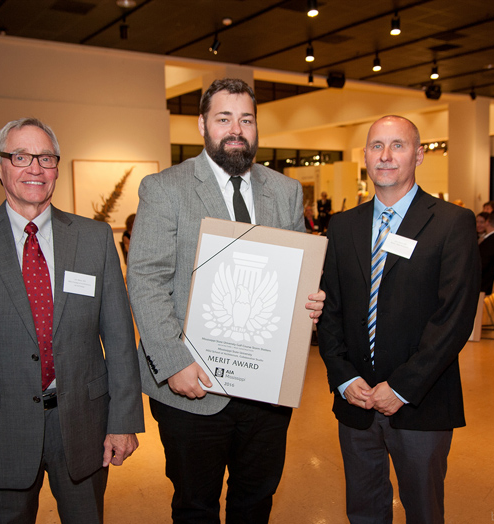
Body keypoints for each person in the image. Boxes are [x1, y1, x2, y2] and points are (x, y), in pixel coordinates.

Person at [126, 78, 325, 524]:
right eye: (224, 118)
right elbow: (146, 278)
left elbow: (296, 277)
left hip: (265, 392)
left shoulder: (286, 191)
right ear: (202, 124)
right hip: (191, 388)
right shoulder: (165, 188)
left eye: (246, 119)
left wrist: (309, 301)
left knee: (255, 503)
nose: (236, 129)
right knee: (195, 506)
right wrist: (173, 361)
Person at [0, 118, 144, 524]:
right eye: (21, 157)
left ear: (57, 167)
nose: (35, 169)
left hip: (83, 427)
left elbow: (118, 338)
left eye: (46, 158)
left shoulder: (94, 239)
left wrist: (124, 421)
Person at [317, 115, 480, 524]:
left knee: (424, 512)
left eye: (398, 145)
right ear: (366, 158)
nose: (385, 156)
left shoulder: (451, 223)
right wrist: (343, 377)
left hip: (420, 404)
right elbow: (329, 309)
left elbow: (454, 319)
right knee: (364, 511)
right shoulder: (343, 226)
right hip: (355, 402)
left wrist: (403, 387)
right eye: (376, 146)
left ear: (419, 155)